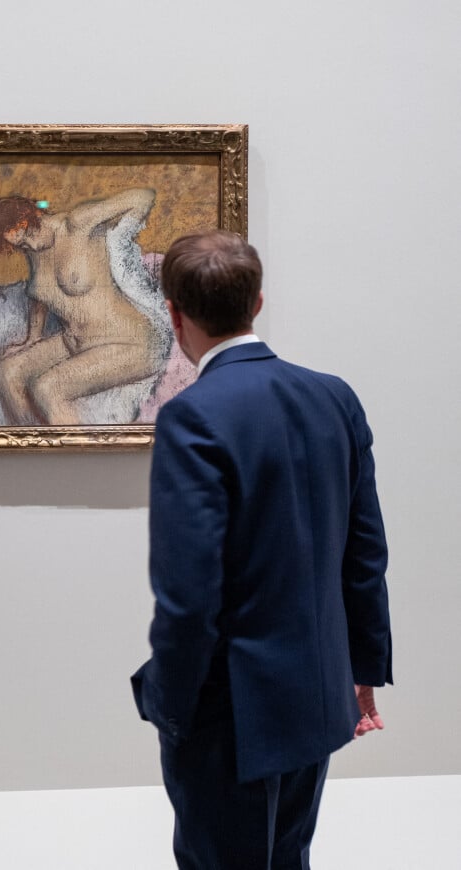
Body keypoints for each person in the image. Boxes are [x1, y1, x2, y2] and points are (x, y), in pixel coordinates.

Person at [131, 230, 392, 869]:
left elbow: (189, 592)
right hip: (317, 691)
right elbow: (365, 551)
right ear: (259, 300)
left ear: (174, 313)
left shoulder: (193, 415)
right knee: (287, 857)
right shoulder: (333, 395)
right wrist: (363, 668)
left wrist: (171, 705)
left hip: (229, 707)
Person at [0, 189, 172, 426]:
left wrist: (122, 240)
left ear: (32, 215)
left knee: (48, 389)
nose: (30, 245)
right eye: (21, 244)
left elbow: (143, 197)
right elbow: (41, 294)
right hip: (76, 341)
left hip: (129, 341)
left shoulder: (78, 223)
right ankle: (33, 447)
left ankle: (68, 457)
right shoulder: (33, 249)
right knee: (6, 373)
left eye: (29, 234)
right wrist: (32, 338)